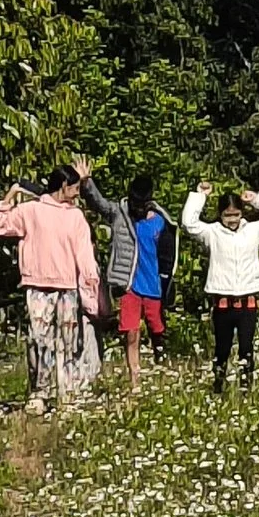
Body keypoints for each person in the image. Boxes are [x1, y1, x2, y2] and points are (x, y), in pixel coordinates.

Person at [0, 166, 103, 413]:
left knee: (67, 341)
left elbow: (85, 257)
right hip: (38, 285)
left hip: (66, 288)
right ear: (63, 187)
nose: (76, 194)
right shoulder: (31, 211)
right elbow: (0, 225)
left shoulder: (75, 217)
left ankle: (66, 393)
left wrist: (90, 286)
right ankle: (40, 393)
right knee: (40, 341)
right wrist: (8, 198)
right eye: (74, 189)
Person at [77, 162, 171, 394]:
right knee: (131, 332)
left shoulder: (161, 221)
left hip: (154, 288)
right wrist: (87, 182)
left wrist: (169, 283)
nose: (136, 208)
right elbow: (98, 203)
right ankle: (135, 380)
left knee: (157, 329)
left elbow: (168, 256)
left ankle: (162, 362)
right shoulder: (119, 213)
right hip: (129, 286)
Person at [181, 182, 259, 392]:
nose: (232, 220)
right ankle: (218, 387)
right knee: (222, 349)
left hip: (247, 302)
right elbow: (188, 223)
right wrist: (200, 196)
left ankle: (246, 388)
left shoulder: (253, 229)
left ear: (242, 214)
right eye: (227, 215)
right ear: (220, 214)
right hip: (223, 302)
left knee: (246, 348)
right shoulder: (212, 232)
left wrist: (256, 199)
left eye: (236, 215)